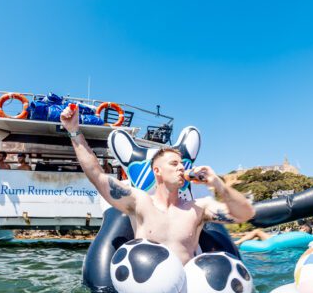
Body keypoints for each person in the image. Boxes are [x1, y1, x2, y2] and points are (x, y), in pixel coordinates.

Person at [60, 105, 254, 263]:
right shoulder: (139, 202)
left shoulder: (199, 208)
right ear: (157, 172)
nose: (181, 168)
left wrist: (218, 185)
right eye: (174, 163)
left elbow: (245, 214)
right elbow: (96, 175)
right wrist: (74, 131)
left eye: (182, 164)